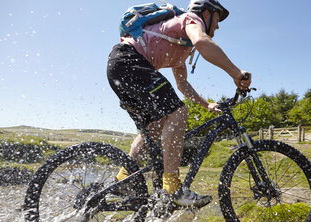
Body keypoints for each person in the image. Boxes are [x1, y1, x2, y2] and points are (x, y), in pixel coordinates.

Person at [107, 0, 251, 208]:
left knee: (154, 126)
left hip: (118, 67)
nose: (218, 26)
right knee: (178, 112)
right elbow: (202, 41)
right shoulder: (190, 20)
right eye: (217, 18)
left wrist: (207, 105)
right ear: (207, 13)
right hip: (129, 62)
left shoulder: (180, 47)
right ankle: (173, 188)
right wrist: (236, 73)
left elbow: (182, 85)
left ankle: (124, 177)